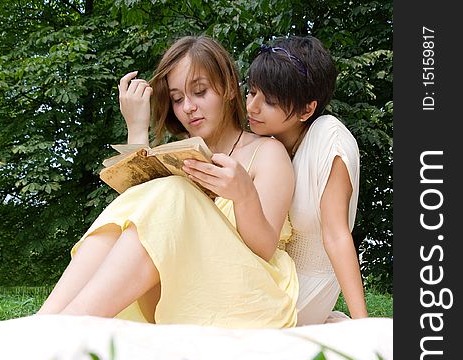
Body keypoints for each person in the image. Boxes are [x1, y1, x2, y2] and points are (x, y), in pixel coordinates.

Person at [38, 36, 298, 328]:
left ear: (225, 88)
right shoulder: (180, 153)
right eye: (177, 98)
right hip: (183, 291)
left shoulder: (267, 153)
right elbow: (135, 214)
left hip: (252, 296)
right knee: (158, 196)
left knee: (175, 189)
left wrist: (244, 196)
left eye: (199, 92)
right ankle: (46, 320)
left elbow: (265, 249)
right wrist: (136, 128)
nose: (188, 107)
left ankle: (68, 325)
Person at [244, 36, 368, 325]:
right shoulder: (270, 147)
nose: (252, 107)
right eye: (251, 92)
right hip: (269, 277)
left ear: (306, 110)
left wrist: (363, 325)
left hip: (303, 289)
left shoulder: (328, 136)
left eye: (270, 101)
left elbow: (337, 235)